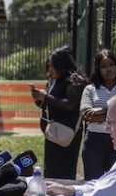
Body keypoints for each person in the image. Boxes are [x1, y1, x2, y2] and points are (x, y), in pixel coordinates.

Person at [32, 47, 88, 180]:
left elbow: (70, 105)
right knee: (51, 170)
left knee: (65, 171)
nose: (50, 70)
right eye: (49, 66)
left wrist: (45, 97)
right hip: (52, 131)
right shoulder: (53, 80)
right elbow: (50, 105)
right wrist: (38, 99)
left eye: (53, 66)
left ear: (62, 65)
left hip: (68, 132)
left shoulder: (75, 81)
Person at [80, 49, 116, 179]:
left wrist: (100, 111)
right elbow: (86, 116)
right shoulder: (90, 89)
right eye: (104, 66)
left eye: (111, 65)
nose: (109, 69)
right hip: (94, 141)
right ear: (98, 69)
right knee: (92, 183)